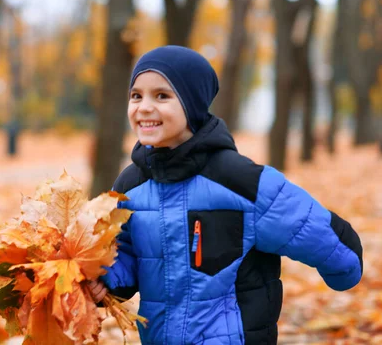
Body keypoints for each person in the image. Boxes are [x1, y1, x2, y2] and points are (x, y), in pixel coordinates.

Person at [88, 46, 363, 344]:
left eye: (162, 96)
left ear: (193, 104)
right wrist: (106, 278)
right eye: (136, 95)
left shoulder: (239, 181)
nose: (143, 107)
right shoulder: (131, 186)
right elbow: (127, 250)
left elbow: (306, 225)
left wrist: (343, 267)